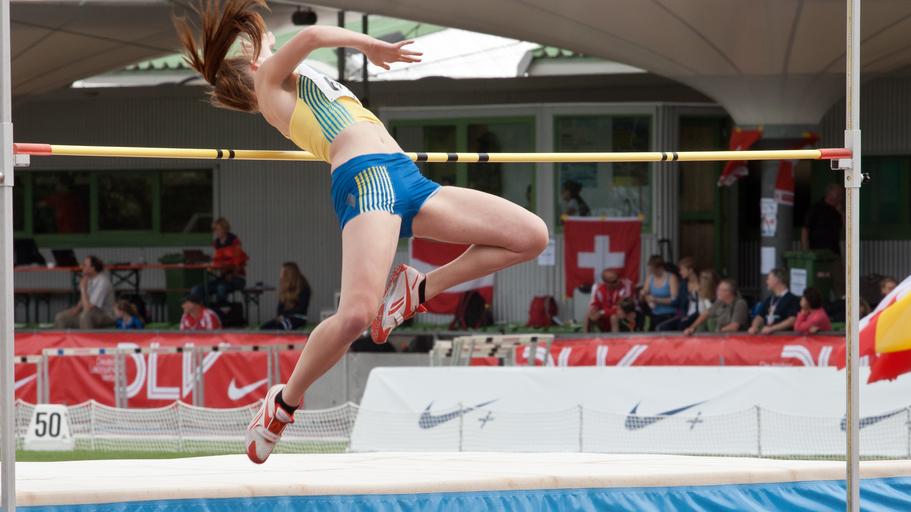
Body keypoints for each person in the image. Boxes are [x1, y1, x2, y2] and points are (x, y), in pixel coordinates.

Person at [174, 1, 548, 464]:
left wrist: (256, 33)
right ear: (252, 68)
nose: (267, 49)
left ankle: (418, 289)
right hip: (367, 180)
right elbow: (309, 37)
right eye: (260, 51)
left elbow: (274, 43)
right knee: (355, 317)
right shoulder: (269, 83)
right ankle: (282, 404)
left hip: (406, 177)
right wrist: (373, 47)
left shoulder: (281, 75)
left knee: (530, 236)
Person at [802, 183, 844, 296]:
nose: (839, 197)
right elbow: (805, 229)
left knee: (839, 282)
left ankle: (842, 303)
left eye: (840, 195)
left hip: (834, 252)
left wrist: (840, 212)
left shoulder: (837, 211)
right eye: (837, 194)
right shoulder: (816, 209)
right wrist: (805, 250)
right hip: (817, 253)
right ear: (829, 194)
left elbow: (846, 227)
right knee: (818, 282)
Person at [194, 217, 248, 305]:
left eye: (218, 229)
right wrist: (211, 266)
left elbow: (239, 262)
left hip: (237, 278)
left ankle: (222, 309)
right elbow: (217, 261)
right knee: (198, 289)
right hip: (222, 278)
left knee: (221, 288)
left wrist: (232, 274)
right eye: (215, 230)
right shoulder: (216, 243)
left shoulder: (234, 241)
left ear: (225, 229)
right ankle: (204, 310)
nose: (216, 232)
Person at [53, 256, 115, 329]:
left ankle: (87, 337)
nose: (81, 266)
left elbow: (88, 308)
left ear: (93, 268)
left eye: (84, 265)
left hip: (105, 314)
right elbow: (84, 300)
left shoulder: (102, 282)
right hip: (89, 311)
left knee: (85, 316)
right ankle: (64, 337)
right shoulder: (89, 279)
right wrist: (76, 309)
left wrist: (83, 289)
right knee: (61, 317)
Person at [683, 279, 749, 335]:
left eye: (720, 290)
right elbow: (706, 314)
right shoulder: (720, 301)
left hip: (734, 338)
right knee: (702, 324)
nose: (717, 292)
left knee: (710, 322)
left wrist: (717, 332)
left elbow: (734, 327)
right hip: (720, 335)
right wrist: (692, 327)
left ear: (728, 292)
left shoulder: (740, 304)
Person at [748, 268, 801, 335]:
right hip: (768, 339)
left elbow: (792, 320)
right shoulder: (769, 300)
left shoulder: (793, 299)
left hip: (785, 338)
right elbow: (759, 316)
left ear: (776, 280)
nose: (766, 281)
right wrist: (754, 327)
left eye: (768, 279)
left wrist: (772, 328)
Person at [261, 262, 311, 331]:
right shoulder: (285, 287)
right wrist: (280, 316)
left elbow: (301, 309)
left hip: (298, 318)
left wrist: (285, 314)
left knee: (279, 328)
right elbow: (280, 307)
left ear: (288, 274)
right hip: (285, 317)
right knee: (264, 328)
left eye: (282, 272)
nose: (280, 275)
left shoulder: (303, 287)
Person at [640, 255, 680, 331]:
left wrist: (656, 300)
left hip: (669, 314)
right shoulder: (650, 278)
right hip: (654, 314)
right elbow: (644, 297)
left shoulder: (671, 278)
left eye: (653, 270)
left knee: (661, 328)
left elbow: (674, 300)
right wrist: (644, 296)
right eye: (651, 269)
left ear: (660, 267)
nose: (652, 272)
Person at [677, 259, 715, 330]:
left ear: (690, 270)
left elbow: (709, 304)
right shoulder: (683, 285)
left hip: (700, 314)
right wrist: (680, 316)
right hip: (686, 316)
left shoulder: (703, 282)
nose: (680, 272)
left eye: (682, 269)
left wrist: (700, 291)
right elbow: (680, 303)